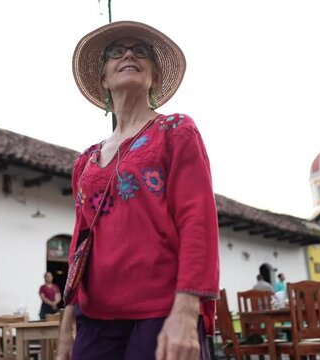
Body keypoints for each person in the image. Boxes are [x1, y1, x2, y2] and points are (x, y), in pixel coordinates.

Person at [58, 21, 220, 360]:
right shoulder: (85, 161)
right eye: (116, 52)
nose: (129, 54)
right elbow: (79, 240)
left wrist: (187, 310)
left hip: (162, 311)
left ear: (155, 77)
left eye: (140, 52)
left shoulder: (176, 131)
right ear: (103, 78)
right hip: (95, 320)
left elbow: (197, 220)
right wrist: (66, 325)